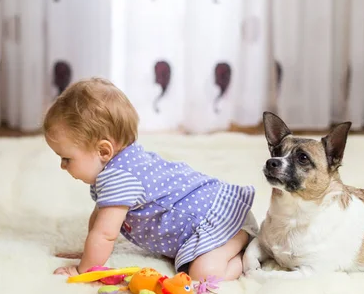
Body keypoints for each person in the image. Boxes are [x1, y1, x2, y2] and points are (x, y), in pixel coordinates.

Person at [43, 77, 257, 282]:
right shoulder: (115, 167)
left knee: (202, 275)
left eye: (66, 158)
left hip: (217, 222)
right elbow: (100, 222)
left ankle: (245, 248)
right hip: (212, 215)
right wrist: (89, 254)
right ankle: (238, 242)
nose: (63, 166)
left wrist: (84, 270)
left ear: (103, 150)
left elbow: (105, 234)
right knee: (197, 268)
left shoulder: (120, 177)